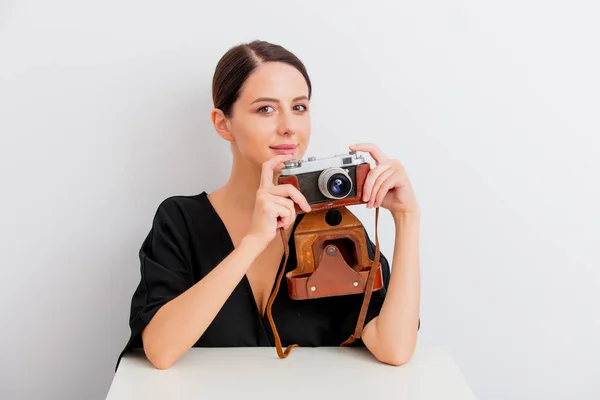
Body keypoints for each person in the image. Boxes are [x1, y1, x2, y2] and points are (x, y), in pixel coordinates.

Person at [118, 40, 421, 370]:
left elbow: (394, 348)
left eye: (299, 107)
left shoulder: (333, 224)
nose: (289, 126)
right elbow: (160, 350)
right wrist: (254, 241)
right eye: (266, 109)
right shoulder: (180, 220)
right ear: (223, 123)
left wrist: (407, 219)